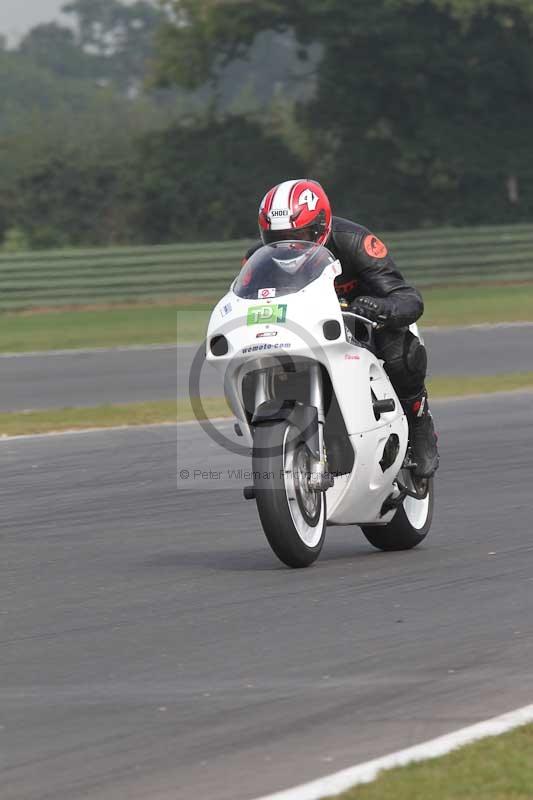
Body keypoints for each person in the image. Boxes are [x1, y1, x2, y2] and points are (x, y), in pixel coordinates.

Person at [244, 178, 439, 478]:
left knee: (400, 351)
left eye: (300, 235)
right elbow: (245, 303)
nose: (290, 246)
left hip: (362, 324)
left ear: (322, 226)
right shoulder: (259, 259)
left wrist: (379, 307)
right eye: (277, 238)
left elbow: (408, 298)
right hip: (302, 328)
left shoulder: (355, 241)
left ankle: (419, 422)